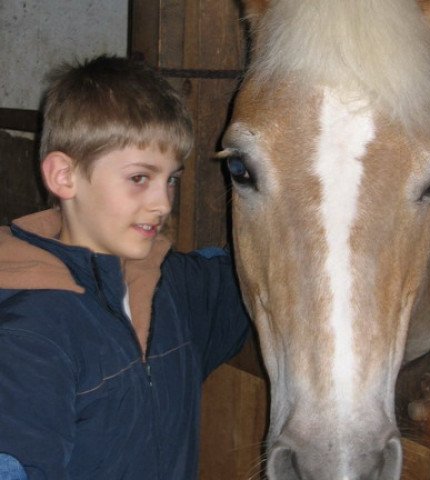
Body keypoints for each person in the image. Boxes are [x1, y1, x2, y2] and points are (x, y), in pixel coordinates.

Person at [0, 55, 250, 479]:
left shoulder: (174, 285)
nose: (164, 203)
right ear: (64, 176)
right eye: (140, 178)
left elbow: (255, 277)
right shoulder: (30, 335)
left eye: (171, 178)